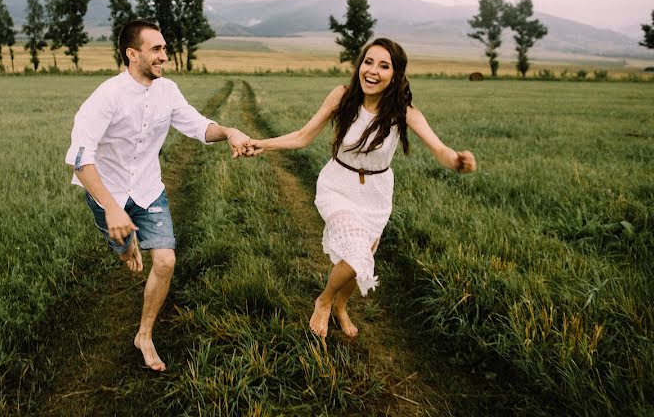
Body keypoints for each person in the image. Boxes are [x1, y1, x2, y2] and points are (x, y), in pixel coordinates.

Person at [243, 38, 476, 338]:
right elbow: (303, 136)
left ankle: (341, 305)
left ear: (396, 75)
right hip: (337, 186)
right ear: (359, 65)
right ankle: (324, 301)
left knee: (359, 260)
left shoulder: (403, 112)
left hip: (375, 196)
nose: (373, 71)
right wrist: (261, 144)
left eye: (384, 66)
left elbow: (439, 149)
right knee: (355, 254)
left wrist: (457, 161)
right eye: (369, 62)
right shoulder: (342, 96)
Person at [65, 19, 249, 371]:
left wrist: (229, 132)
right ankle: (125, 247)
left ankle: (144, 335)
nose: (165, 55)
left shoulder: (168, 91)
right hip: (108, 193)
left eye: (165, 48)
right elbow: (79, 159)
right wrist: (112, 208)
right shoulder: (106, 97)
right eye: (157, 49)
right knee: (122, 247)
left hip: (149, 191)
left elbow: (198, 126)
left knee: (165, 261)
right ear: (132, 54)